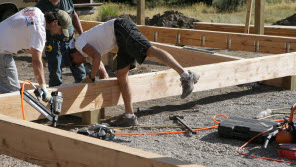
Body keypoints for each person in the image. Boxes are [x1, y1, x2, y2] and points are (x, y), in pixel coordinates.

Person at [69, 18, 200, 127]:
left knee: (150, 51)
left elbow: (97, 57)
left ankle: (186, 75)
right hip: (119, 37)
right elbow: (97, 61)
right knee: (121, 74)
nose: (79, 63)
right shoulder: (83, 48)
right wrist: (99, 76)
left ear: (73, 53)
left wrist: (91, 78)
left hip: (121, 28)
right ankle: (129, 116)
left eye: (75, 62)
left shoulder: (79, 44)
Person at [0, 7, 73, 101]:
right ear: (55, 23)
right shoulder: (39, 32)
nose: (60, 33)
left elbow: (21, 29)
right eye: (61, 29)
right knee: (13, 93)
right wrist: (43, 86)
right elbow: (36, 62)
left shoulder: (36, 11)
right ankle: (15, 116)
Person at [35, 0, 86, 87]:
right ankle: (55, 102)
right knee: (55, 76)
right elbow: (37, 28)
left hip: (71, 41)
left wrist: (82, 34)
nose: (56, 0)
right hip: (53, 44)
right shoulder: (40, 6)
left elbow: (74, 15)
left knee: (81, 73)